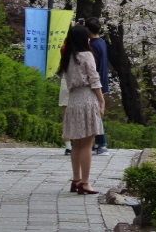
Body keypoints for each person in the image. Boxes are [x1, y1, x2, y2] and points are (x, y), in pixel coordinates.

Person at [59, 24, 105, 195]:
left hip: (73, 99)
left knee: (77, 143)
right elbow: (94, 79)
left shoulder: (68, 56)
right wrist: (101, 100)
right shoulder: (86, 55)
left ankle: (76, 179)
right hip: (87, 99)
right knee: (87, 144)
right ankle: (85, 182)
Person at [85, 17, 109, 155]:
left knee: (95, 114)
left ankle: (101, 143)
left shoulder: (93, 45)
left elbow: (92, 68)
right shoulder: (101, 42)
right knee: (96, 113)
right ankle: (99, 143)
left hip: (95, 83)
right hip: (101, 81)